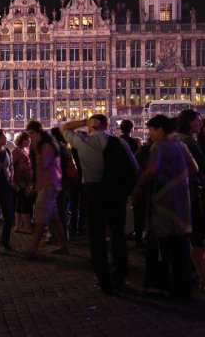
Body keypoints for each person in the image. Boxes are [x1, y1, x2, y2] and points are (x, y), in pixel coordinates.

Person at [60, 114, 137, 294]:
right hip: (115, 193)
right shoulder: (120, 143)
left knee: (96, 236)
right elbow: (134, 168)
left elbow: (64, 128)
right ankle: (120, 277)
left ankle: (104, 280)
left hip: (93, 192)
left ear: (90, 126)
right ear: (107, 125)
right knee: (118, 234)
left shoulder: (83, 141)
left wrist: (83, 121)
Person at [132, 115, 198, 298]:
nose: (150, 134)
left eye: (151, 130)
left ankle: (157, 285)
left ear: (160, 129)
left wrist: (139, 186)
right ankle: (182, 286)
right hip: (181, 202)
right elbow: (194, 168)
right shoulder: (180, 145)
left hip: (162, 202)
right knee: (181, 246)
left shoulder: (159, 147)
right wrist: (179, 180)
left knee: (159, 245)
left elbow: (151, 170)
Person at [24, 121, 68, 258]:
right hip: (46, 183)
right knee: (54, 218)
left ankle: (33, 249)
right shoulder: (43, 144)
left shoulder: (47, 146)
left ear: (38, 132)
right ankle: (63, 245)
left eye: (31, 133)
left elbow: (43, 163)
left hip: (49, 184)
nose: (30, 137)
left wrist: (36, 148)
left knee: (40, 217)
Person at [175, 109, 205, 287]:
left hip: (178, 193)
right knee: (197, 234)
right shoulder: (188, 141)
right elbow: (201, 167)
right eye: (197, 120)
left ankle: (191, 271)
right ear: (189, 122)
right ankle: (202, 275)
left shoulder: (174, 139)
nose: (200, 123)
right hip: (192, 192)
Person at [12, 132, 33, 234]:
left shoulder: (25, 150)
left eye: (29, 140)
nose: (29, 141)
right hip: (20, 181)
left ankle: (18, 226)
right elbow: (11, 166)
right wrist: (13, 181)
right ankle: (26, 226)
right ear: (21, 140)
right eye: (27, 140)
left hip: (25, 180)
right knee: (24, 203)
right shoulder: (16, 150)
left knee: (20, 203)